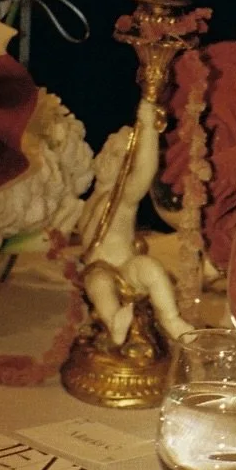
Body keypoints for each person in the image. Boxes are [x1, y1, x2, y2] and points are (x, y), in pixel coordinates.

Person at [76, 98, 192, 349]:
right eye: (107, 151)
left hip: (127, 269)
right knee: (98, 281)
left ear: (126, 167)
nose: (108, 158)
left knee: (150, 267)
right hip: (99, 270)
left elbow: (145, 170)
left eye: (117, 155)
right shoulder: (89, 202)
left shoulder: (122, 198)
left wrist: (148, 126)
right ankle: (115, 322)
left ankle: (171, 319)